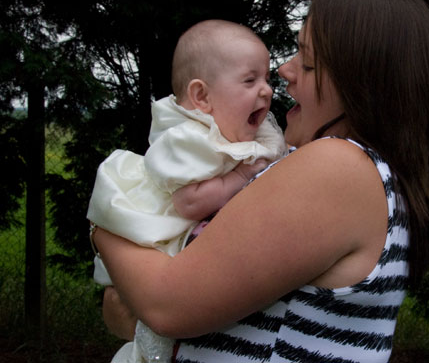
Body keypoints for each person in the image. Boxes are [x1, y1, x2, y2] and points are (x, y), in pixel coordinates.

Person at [92, 0, 429, 363]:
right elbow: (127, 313)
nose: (284, 70)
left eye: (308, 63)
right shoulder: (365, 177)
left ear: (364, 87)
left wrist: (107, 214)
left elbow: (165, 307)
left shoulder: (339, 167)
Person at [87, 19, 288, 362]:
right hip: (155, 233)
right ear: (202, 97)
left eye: (266, 79)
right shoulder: (189, 140)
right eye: (250, 80)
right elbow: (189, 202)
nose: (267, 90)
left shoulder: (239, 132)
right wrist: (241, 175)